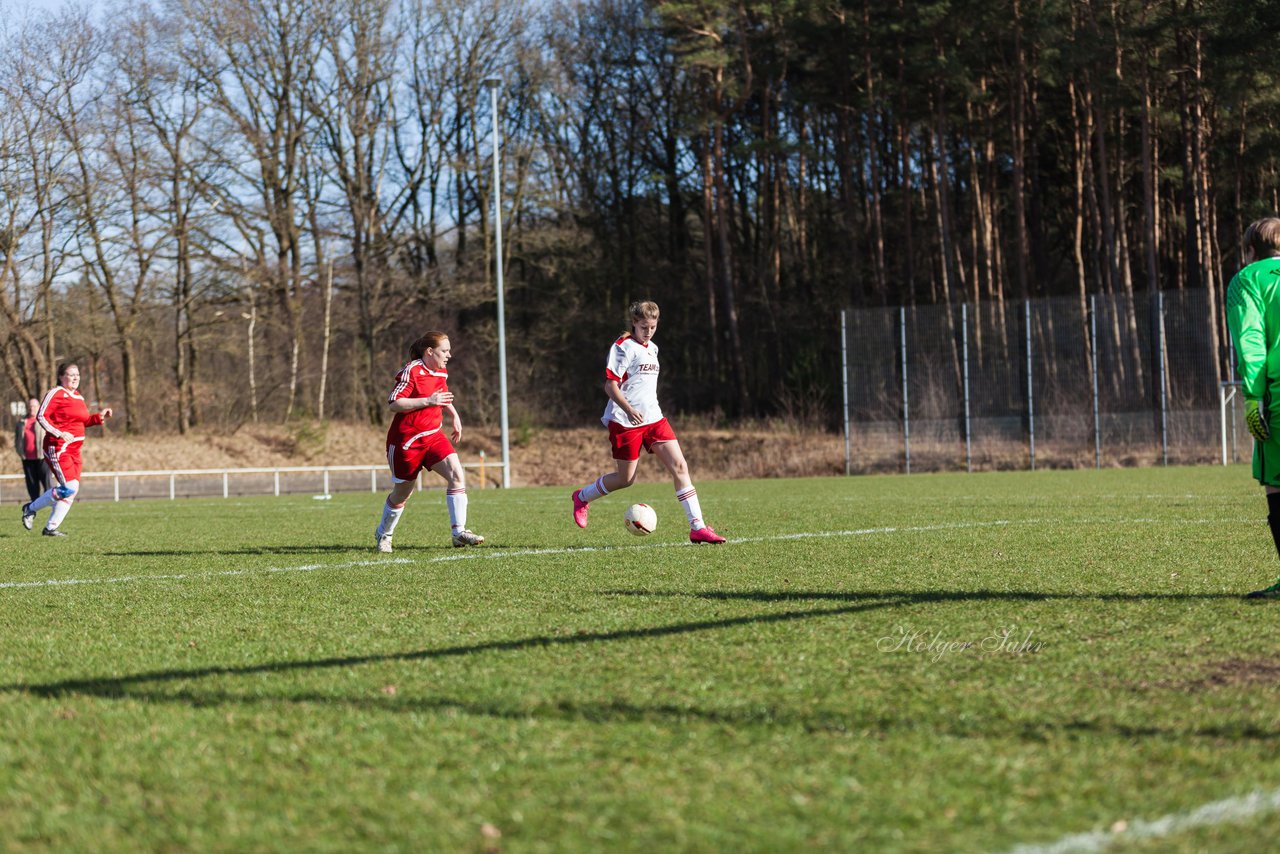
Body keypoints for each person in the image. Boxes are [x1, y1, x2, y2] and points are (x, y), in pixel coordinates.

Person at [570, 300, 726, 544]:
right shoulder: (622, 347)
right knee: (626, 479)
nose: (649, 331)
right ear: (634, 323)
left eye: (652, 327)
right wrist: (629, 409)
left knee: (680, 467)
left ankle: (698, 527)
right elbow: (610, 386)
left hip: (654, 418)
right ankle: (582, 497)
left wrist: (642, 410)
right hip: (625, 420)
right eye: (644, 326)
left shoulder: (653, 348)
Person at [374, 331, 484, 552]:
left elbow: (441, 393)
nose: (449, 355)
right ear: (429, 352)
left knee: (456, 473)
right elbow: (394, 403)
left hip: (433, 436)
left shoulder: (440, 370)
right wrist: (428, 401)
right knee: (402, 492)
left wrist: (454, 415)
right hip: (406, 441)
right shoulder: (411, 370)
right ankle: (384, 535)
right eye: (445, 350)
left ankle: (458, 532)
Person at [1225, 217, 1280, 598]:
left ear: (1250, 250)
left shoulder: (1248, 279)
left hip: (1278, 394)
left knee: (1277, 484)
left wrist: (1250, 397)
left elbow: (1251, 341)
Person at [21, 363, 112, 537]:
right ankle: (30, 509)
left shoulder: (78, 396)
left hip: (75, 450)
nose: (76, 377)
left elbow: (83, 421)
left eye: (77, 374)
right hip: (58, 448)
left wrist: (99, 416)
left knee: (72, 489)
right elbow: (41, 415)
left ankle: (50, 528)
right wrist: (59, 433)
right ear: (61, 376)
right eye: (71, 375)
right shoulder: (56, 393)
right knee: (69, 487)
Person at [14, 396, 50, 502]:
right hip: (27, 458)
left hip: (42, 457)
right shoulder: (21, 422)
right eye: (29, 406)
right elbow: (17, 438)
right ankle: (34, 504)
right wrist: (19, 451)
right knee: (32, 484)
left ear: (39, 407)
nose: (31, 408)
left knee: (47, 482)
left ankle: (51, 502)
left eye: (34, 406)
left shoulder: (43, 420)